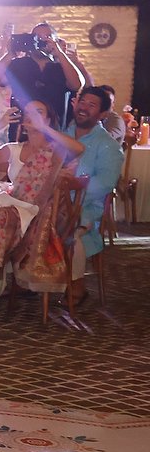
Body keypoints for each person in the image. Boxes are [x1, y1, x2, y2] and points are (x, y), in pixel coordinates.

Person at [0, 100, 84, 316]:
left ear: (48, 120)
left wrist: (44, 129)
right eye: (28, 112)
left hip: (36, 215)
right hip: (12, 208)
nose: (32, 116)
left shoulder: (56, 150)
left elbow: (79, 149)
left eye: (39, 112)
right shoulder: (15, 148)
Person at [64, 85, 124, 304]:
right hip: (53, 201)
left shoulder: (107, 145)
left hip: (86, 208)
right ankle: (24, 280)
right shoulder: (63, 134)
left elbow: (105, 183)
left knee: (69, 230)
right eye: (82, 102)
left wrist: (70, 196)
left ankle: (77, 286)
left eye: (92, 105)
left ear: (103, 114)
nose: (83, 108)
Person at [0, 22, 83, 124]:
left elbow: (77, 85)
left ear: (56, 41)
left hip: (53, 128)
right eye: (37, 37)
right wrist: (10, 54)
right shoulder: (19, 64)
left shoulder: (62, 67)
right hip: (21, 127)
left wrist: (60, 53)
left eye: (47, 37)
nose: (41, 41)